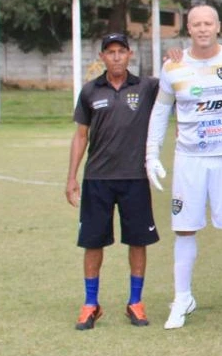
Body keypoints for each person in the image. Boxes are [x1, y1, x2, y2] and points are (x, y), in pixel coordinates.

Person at [147, 5, 222, 330]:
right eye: (196, 24)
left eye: (208, 23)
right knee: (184, 228)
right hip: (189, 161)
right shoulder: (174, 64)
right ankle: (182, 297)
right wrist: (151, 154)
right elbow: (160, 111)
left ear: (218, 26)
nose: (202, 29)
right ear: (188, 28)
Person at [67, 33, 161, 329]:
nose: (116, 56)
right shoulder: (90, 91)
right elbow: (81, 135)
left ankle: (135, 302)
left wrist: (175, 57)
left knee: (138, 240)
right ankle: (90, 304)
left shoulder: (146, 87)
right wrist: (71, 177)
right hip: (98, 178)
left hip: (135, 178)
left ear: (130, 54)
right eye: (110, 52)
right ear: (102, 57)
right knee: (93, 242)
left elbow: (176, 81)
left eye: (121, 51)